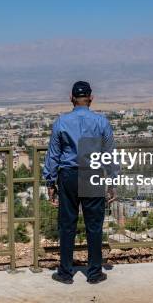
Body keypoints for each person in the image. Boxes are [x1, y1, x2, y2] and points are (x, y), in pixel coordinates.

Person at [43, 81, 117, 284]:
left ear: (71, 98)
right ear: (91, 98)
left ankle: (65, 273)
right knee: (94, 225)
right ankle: (94, 273)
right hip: (92, 174)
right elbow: (109, 154)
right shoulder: (101, 122)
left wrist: (50, 183)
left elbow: (53, 155)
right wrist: (112, 183)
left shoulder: (61, 122)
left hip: (68, 176)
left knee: (67, 225)